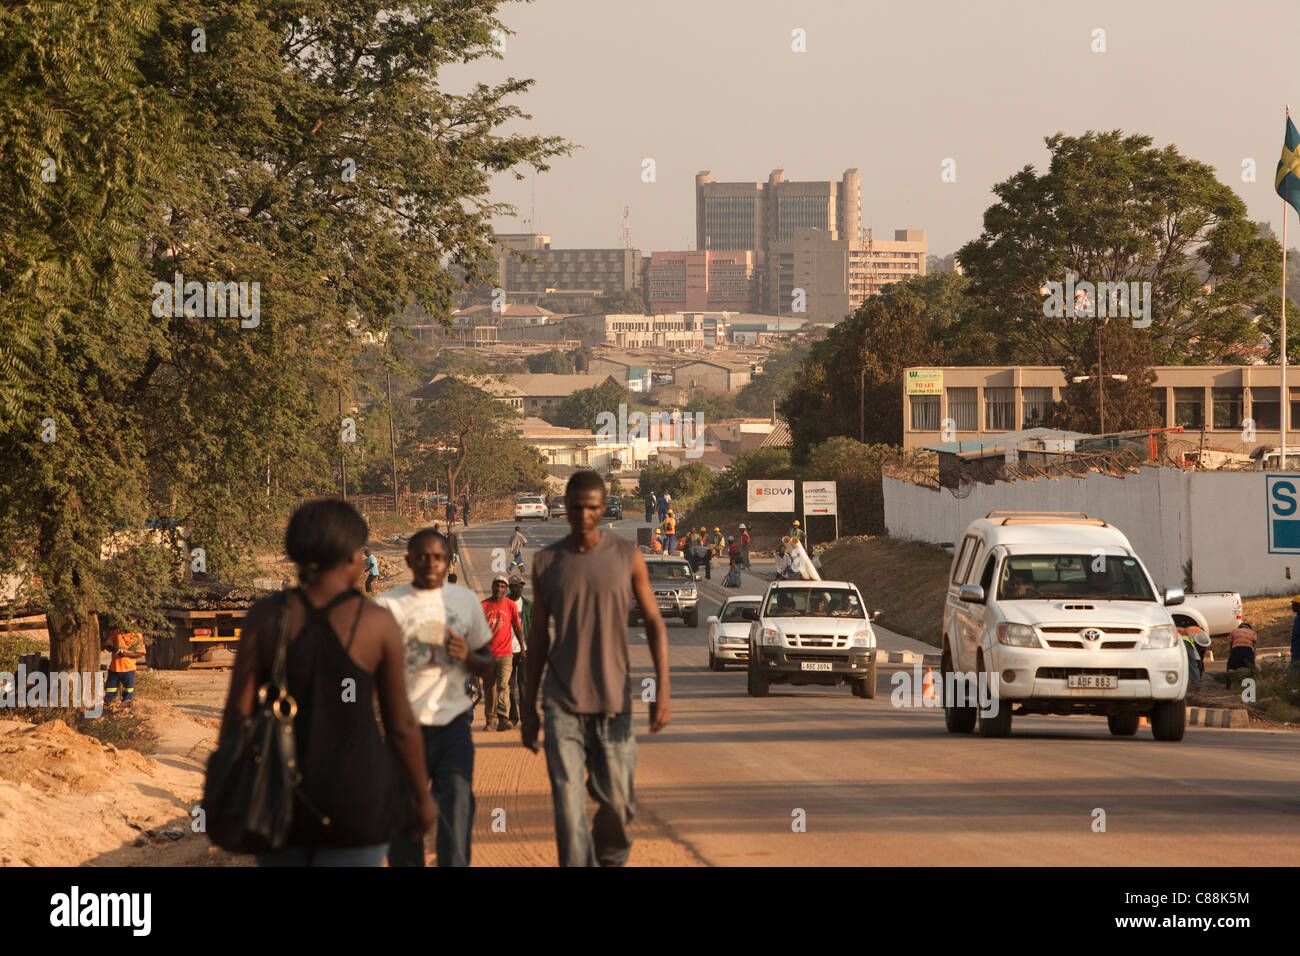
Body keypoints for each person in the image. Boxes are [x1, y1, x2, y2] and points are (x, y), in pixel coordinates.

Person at [218, 498, 434, 867]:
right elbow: (399, 726)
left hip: (279, 804)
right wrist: (421, 797)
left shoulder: (266, 617)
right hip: (357, 802)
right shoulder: (375, 623)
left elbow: (237, 715)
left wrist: (229, 787)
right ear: (352, 557)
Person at [522, 470, 672, 867]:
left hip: (614, 704)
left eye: (591, 508)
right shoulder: (546, 562)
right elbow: (538, 638)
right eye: (575, 507)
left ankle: (608, 859)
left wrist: (663, 692)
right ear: (564, 508)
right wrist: (526, 707)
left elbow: (655, 622)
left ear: (603, 509)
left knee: (620, 804)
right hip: (561, 705)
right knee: (568, 810)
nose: (583, 515)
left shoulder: (627, 556)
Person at [377, 529, 495, 867]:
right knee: (404, 821)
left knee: (457, 811)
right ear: (408, 561)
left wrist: (468, 657)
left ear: (448, 562)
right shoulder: (387, 605)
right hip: (403, 728)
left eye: (438, 557)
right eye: (423, 557)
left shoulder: (466, 601)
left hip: (452, 726)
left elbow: (488, 666)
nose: (430, 563)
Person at [481, 575, 524, 732]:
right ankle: (490, 720)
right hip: (487, 655)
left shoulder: (510, 605)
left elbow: (517, 627)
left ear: (506, 589)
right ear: (492, 586)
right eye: (497, 586)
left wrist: (522, 647)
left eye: (502, 586)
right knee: (489, 688)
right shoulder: (483, 606)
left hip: (506, 653)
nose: (499, 589)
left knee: (503, 685)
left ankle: (503, 717)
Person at [506, 576, 532, 728]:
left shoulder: (528, 605)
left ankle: (525, 717)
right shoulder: (504, 603)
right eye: (515, 586)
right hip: (506, 649)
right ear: (510, 587)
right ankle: (513, 716)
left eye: (520, 586)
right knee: (509, 685)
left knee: (524, 685)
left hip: (524, 650)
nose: (518, 589)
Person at [102, 626, 145, 708]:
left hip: (128, 669)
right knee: (110, 692)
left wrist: (125, 654)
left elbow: (140, 653)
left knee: (128, 693)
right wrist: (114, 650)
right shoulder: (117, 632)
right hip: (114, 669)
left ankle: (125, 709)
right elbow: (108, 645)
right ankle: (108, 707)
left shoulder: (137, 636)